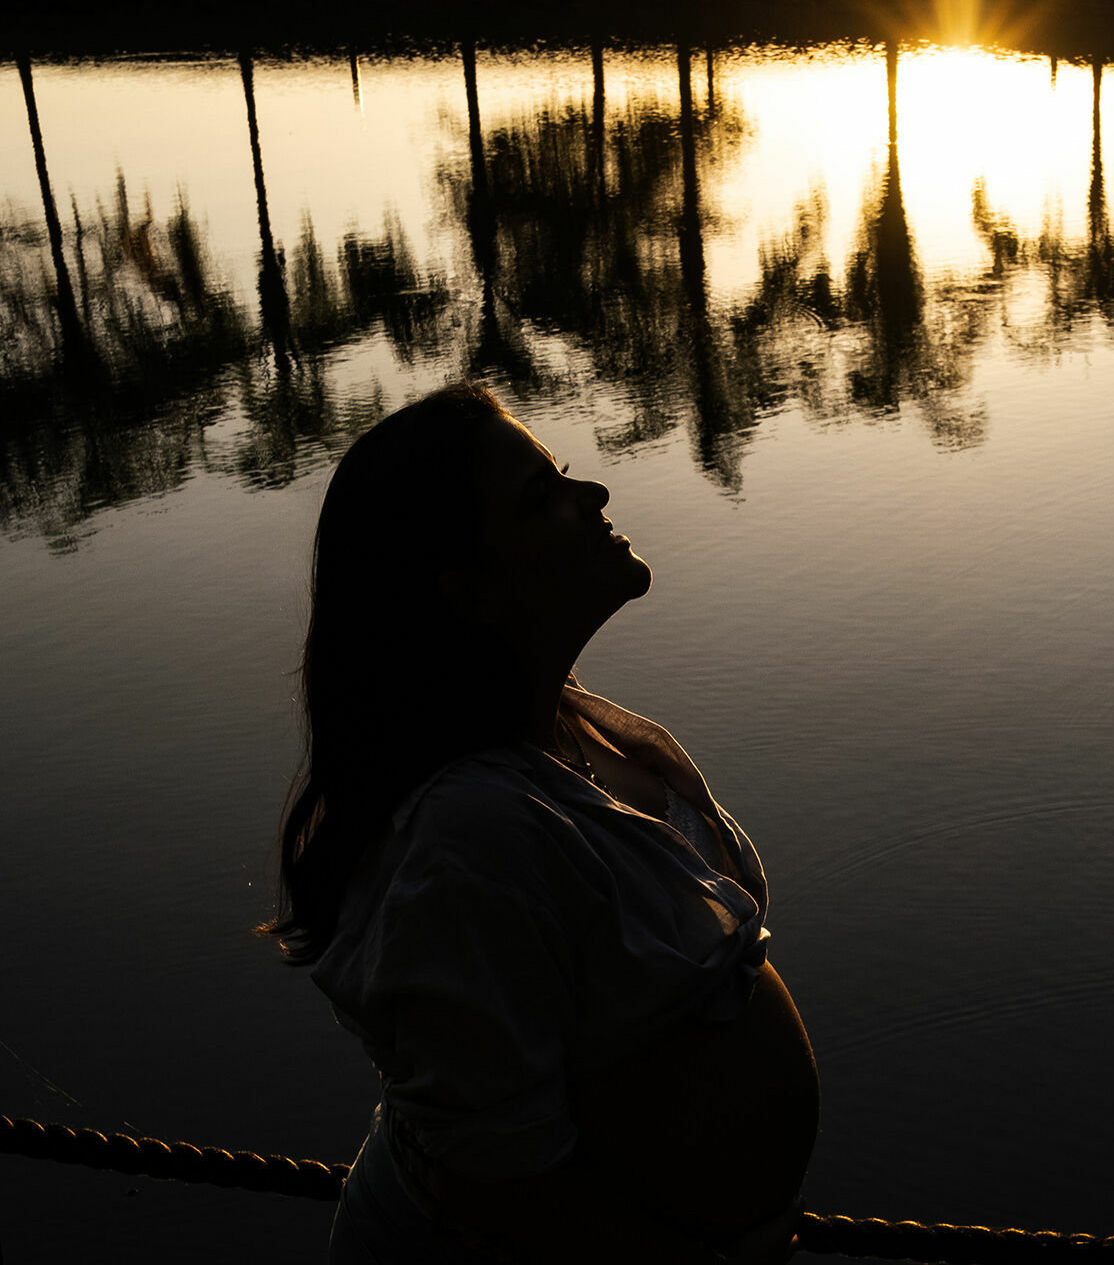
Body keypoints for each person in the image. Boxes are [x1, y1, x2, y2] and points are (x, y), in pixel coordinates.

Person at [259, 382, 819, 1263]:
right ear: (469, 590)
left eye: (563, 474)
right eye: (541, 497)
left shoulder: (570, 730)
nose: (591, 495)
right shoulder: (466, 838)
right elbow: (505, 1188)